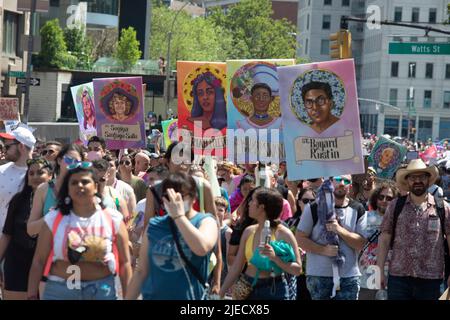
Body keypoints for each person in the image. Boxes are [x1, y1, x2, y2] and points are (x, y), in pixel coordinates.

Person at [27, 164, 132, 300]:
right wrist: (31, 295)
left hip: (101, 292)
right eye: (74, 183)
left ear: (95, 186)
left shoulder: (113, 218)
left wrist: (129, 296)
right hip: (60, 292)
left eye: (85, 181)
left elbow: (125, 263)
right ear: (68, 189)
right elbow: (38, 261)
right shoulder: (54, 218)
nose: (80, 186)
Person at [125, 172, 218, 300]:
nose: (173, 201)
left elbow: (201, 248)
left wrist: (179, 217)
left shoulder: (206, 221)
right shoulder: (154, 225)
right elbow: (141, 271)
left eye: (179, 196)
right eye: (168, 196)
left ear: (194, 197)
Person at [377, 159, 450, 300]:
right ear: (407, 181)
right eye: (413, 177)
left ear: (428, 179)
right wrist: (379, 270)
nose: (417, 181)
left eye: (422, 177)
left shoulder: (443, 207)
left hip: (431, 280)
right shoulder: (394, 206)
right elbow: (385, 238)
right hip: (399, 279)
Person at [219, 188, 302, 300]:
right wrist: (220, 293)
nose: (249, 204)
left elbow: (297, 270)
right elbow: (236, 267)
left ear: (261, 207)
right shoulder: (249, 231)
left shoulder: (283, 233)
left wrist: (275, 258)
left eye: (252, 200)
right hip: (248, 287)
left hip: (274, 289)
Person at [296, 176, 367, 300]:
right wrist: (322, 250)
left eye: (346, 181)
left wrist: (339, 229)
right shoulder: (313, 207)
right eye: (338, 179)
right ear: (330, 182)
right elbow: (300, 238)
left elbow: (361, 244)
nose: (341, 183)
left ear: (350, 187)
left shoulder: (358, 209)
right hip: (319, 276)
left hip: (348, 277)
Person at [0, 158, 53, 300]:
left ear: (50, 176)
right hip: (17, 262)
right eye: (31, 173)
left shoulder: (58, 201)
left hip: (46, 264)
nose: (35, 177)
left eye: (40, 172)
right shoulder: (18, 200)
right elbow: (7, 234)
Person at [27, 144, 85, 237]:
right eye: (68, 160)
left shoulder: (85, 189)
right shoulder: (43, 189)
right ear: (59, 160)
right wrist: (51, 216)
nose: (72, 164)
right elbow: (31, 230)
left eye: (77, 161)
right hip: (50, 248)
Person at [358, 182, 398, 300]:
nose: (384, 200)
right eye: (381, 197)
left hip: (391, 277)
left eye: (389, 198)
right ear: (375, 198)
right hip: (367, 276)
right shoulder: (364, 216)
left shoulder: (400, 219)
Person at [0, 124, 36, 232]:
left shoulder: (41, 175)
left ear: (21, 146)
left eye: (7, 147)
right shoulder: (1, 170)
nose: (4, 150)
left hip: (25, 240)